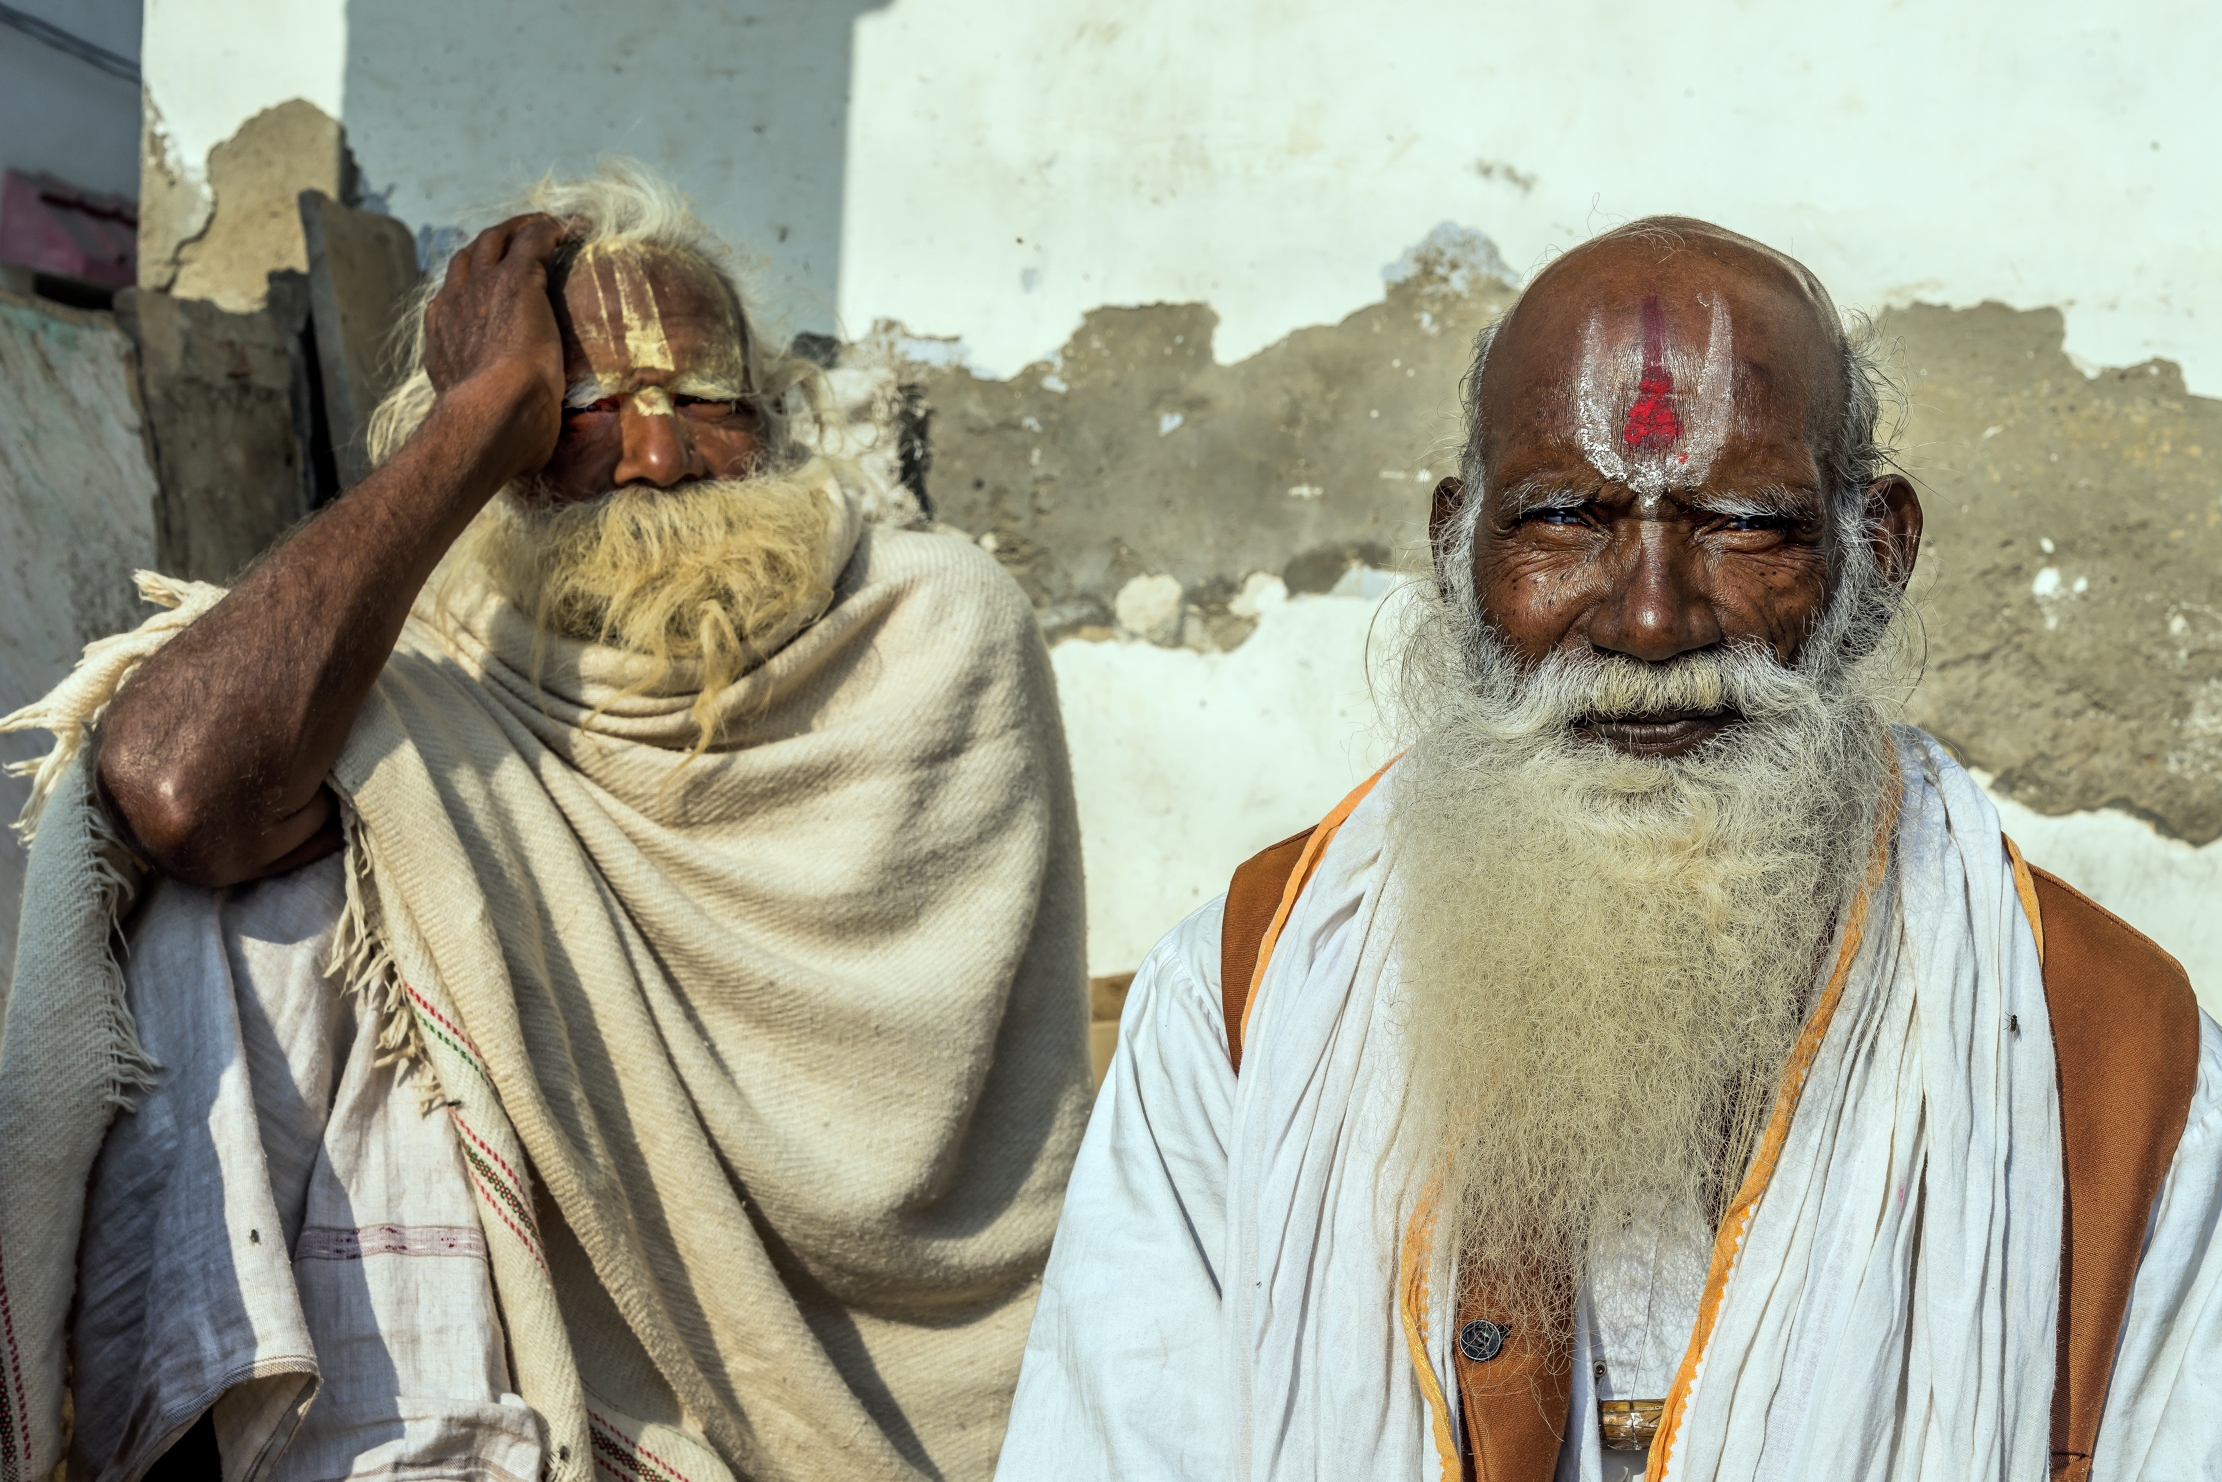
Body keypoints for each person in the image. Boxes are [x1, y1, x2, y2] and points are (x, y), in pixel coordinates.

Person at [997, 218, 2221, 1481]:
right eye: (1562, 518)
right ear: (1453, 551)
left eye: (1741, 522)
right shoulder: (1247, 1002)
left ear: (1879, 550)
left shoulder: (2114, 1063)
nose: (1648, 620)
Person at [0, 164, 1089, 1482]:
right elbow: (177, 786)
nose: (657, 458)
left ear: (769, 421)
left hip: (911, 1377)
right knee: (251, 912)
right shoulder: (442, 656)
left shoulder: (926, 626)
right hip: (545, 1343)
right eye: (580, 407)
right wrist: (474, 421)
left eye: (704, 402)